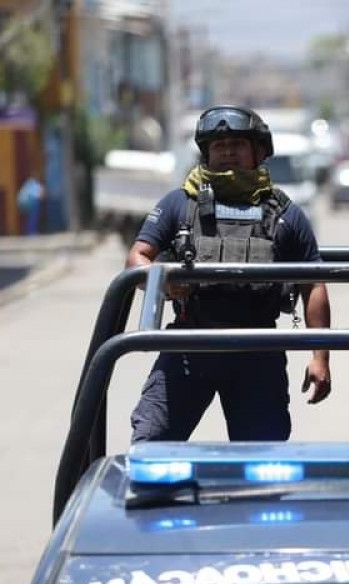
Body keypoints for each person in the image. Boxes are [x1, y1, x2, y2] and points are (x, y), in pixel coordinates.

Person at [126, 105, 332, 442]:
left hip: (257, 351)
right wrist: (163, 282)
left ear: (258, 152)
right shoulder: (179, 204)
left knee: (264, 466)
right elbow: (137, 257)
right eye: (219, 146)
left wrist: (320, 358)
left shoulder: (286, 214)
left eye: (237, 145)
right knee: (150, 446)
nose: (227, 153)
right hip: (190, 346)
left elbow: (314, 284)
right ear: (206, 153)